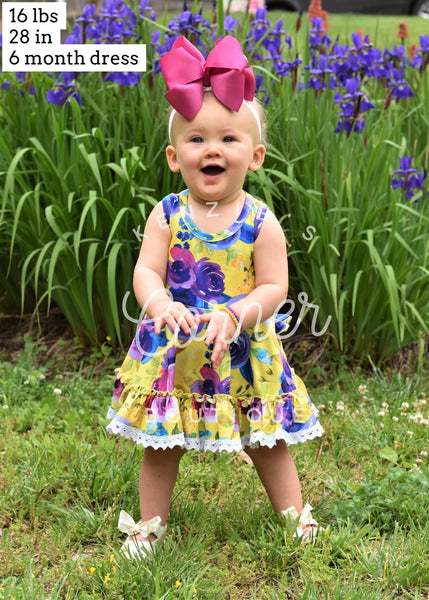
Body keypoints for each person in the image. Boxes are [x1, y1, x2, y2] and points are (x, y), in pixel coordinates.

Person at [106, 35, 324, 559]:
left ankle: (295, 515)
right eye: (197, 139)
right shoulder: (166, 214)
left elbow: (275, 287)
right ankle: (150, 526)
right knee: (165, 446)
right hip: (177, 351)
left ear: (255, 156)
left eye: (228, 139)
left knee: (268, 440)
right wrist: (161, 305)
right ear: (173, 156)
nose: (212, 149)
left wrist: (236, 311)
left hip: (245, 351)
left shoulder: (260, 220)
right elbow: (146, 273)